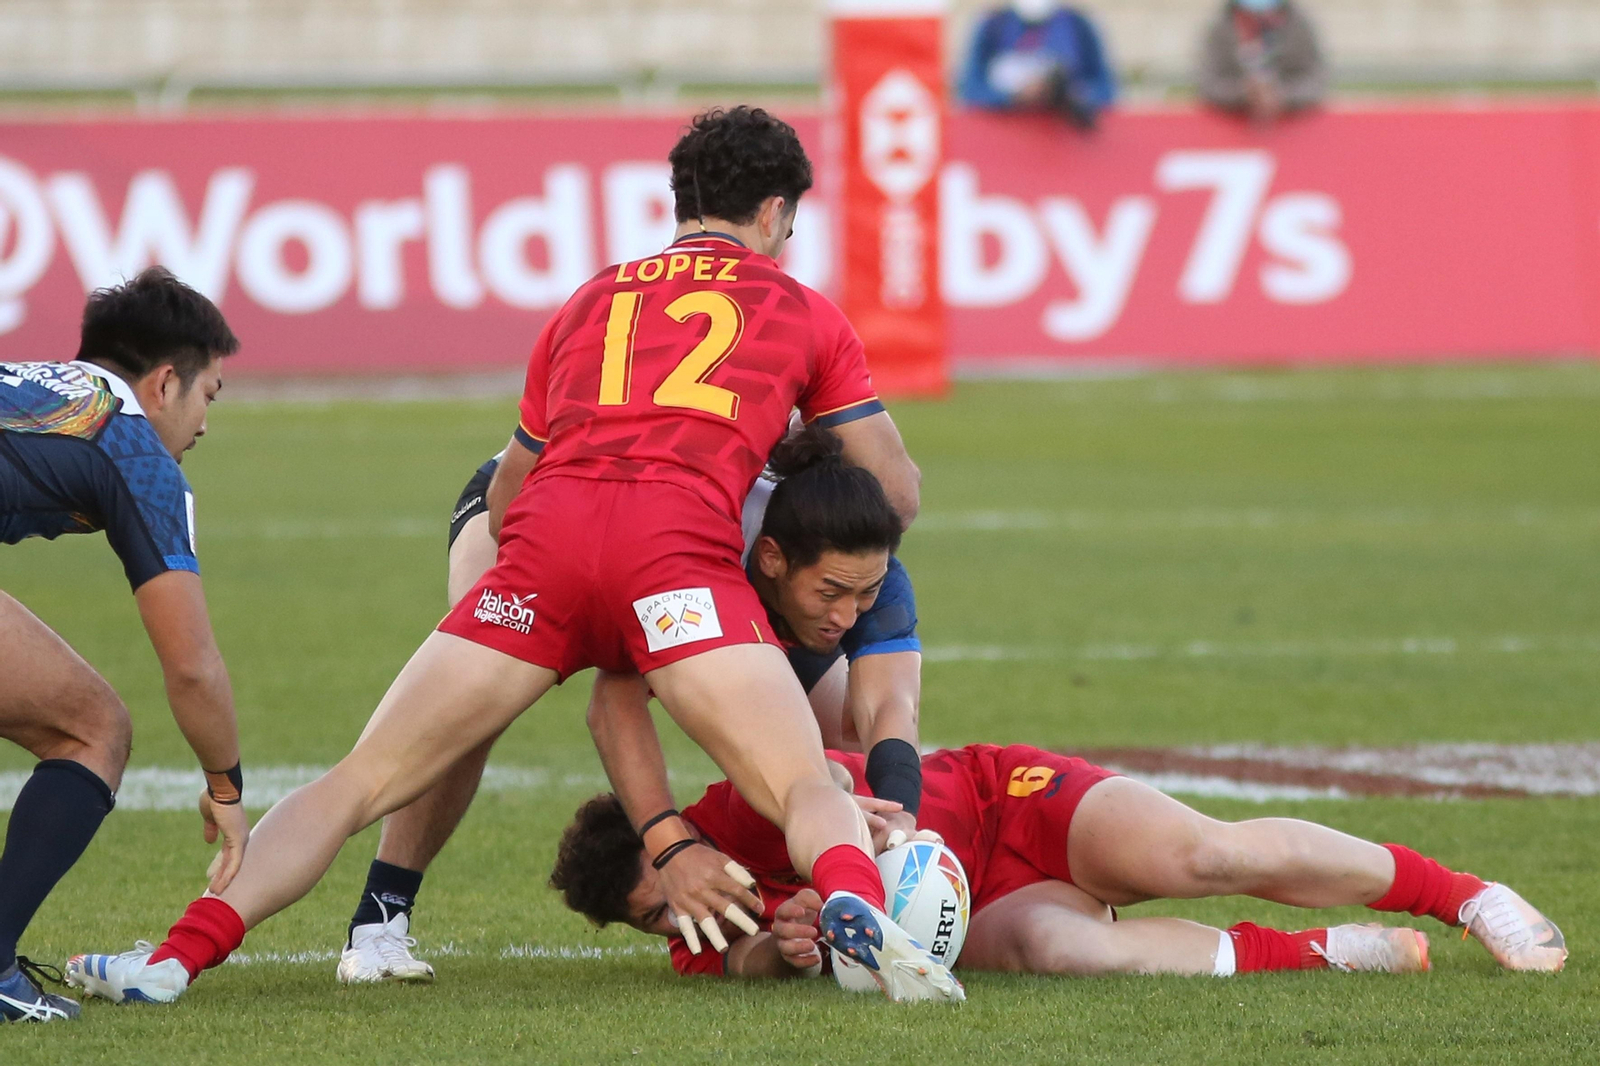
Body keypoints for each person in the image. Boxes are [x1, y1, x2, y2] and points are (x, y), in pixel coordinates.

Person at [66, 106, 962, 1006]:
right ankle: (856, 903)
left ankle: (174, 958)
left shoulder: (587, 301)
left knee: (359, 780)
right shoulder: (804, 311)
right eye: (791, 227)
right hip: (678, 560)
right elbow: (899, 494)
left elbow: (505, 494)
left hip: (546, 550)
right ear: (773, 214)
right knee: (801, 778)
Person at [335, 424, 927, 984]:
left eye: (864, 591)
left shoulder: (857, 559)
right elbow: (616, 698)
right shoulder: (717, 548)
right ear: (774, 558)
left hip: (682, 545)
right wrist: (670, 843)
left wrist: (906, 820)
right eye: (833, 591)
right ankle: (380, 916)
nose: (850, 612)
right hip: (557, 504)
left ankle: (848, 888)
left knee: (840, 735)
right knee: (471, 704)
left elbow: (887, 710)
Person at [551, 741, 1567, 981]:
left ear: (679, 834)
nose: (686, 911)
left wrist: (848, 865)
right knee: (1061, 948)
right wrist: (782, 948)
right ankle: (1326, 949)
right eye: (657, 921)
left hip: (1005, 809)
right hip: (994, 903)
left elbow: (852, 787)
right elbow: (743, 965)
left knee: (1201, 849)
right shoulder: (700, 935)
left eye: (672, 883)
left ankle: (1467, 895)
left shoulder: (752, 794)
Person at [0, 268, 249, 1022]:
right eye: (209, 395)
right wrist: (227, 789)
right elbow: (193, 667)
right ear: (167, 382)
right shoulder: (136, 450)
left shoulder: (36, 383)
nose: (204, 424)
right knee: (93, 729)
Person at [959, 1, 1116, 128]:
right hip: (1004, 145)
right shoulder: (992, 26)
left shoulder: (1079, 26)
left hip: (1065, 147)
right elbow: (970, 92)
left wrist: (1073, 97)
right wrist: (1013, 97)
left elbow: (1106, 91)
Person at [1197, 0, 1326, 124]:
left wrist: (1281, 95)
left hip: (1294, 126)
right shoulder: (1221, 28)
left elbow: (1317, 79)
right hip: (1230, 126)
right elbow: (1208, 82)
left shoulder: (1299, 26)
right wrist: (1244, 93)